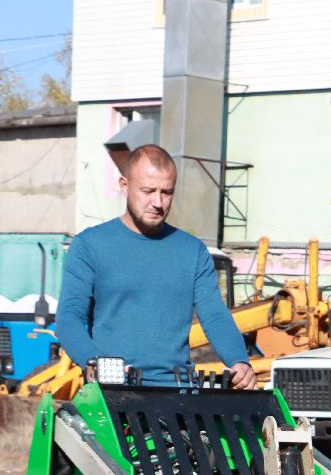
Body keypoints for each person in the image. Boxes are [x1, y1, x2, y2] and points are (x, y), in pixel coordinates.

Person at [54, 144, 256, 389]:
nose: (158, 202)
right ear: (124, 186)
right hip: (112, 390)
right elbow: (69, 317)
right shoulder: (89, 245)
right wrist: (93, 362)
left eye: (166, 192)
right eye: (148, 191)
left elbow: (214, 315)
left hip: (179, 393)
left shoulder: (193, 251)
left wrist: (239, 361)